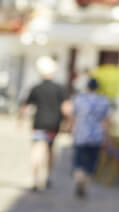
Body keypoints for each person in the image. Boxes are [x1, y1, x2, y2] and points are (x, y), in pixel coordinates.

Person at [19, 55, 67, 191]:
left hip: (39, 123)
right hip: (53, 124)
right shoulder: (59, 88)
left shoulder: (36, 87)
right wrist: (68, 123)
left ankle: (35, 179)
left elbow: (25, 106)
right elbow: (66, 108)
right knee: (50, 150)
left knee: (37, 149)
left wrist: (20, 121)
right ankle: (48, 176)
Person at [67, 77, 112, 198]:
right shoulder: (104, 101)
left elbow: (73, 117)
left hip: (81, 134)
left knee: (79, 162)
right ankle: (85, 186)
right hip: (96, 136)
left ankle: (79, 179)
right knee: (92, 163)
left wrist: (70, 129)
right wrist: (107, 137)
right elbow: (107, 121)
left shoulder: (79, 99)